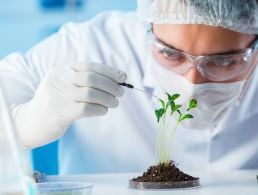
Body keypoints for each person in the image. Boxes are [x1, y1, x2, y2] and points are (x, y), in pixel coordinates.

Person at [0, 0, 257, 174]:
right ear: (149, 28)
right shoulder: (91, 44)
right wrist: (21, 123)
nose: (192, 84)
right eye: (170, 54)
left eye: (225, 61)